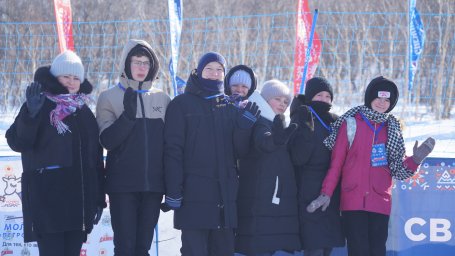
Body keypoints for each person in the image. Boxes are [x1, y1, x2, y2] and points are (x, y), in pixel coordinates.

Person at [308, 76, 435, 256]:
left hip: (380, 201)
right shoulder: (350, 124)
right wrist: (326, 193)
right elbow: (336, 164)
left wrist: (415, 159)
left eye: (387, 100)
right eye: (378, 98)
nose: (382, 103)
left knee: (377, 251)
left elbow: (398, 169)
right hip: (353, 200)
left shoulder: (392, 128)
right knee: (358, 250)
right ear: (370, 98)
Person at [6, 50, 105, 256]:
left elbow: (94, 158)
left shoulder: (83, 110)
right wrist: (30, 115)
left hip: (79, 204)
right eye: (66, 76)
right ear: (55, 77)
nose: (71, 81)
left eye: (76, 77)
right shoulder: (39, 103)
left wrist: (97, 199)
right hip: (48, 203)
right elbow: (18, 142)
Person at [163, 52, 261, 256]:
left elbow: (239, 153)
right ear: (199, 72)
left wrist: (244, 128)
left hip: (224, 199)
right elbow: (173, 151)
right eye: (209, 69)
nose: (214, 74)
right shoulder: (181, 104)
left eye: (219, 70)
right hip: (193, 197)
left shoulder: (230, 106)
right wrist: (173, 190)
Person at [96, 39, 170, 255]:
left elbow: (170, 146)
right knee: (125, 247)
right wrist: (127, 117)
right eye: (136, 61)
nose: (141, 67)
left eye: (146, 63)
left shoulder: (162, 98)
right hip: (123, 187)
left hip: (153, 187)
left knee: (143, 248)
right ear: (126, 64)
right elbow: (107, 140)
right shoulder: (108, 97)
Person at [236, 79, 301, 256]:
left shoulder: (274, 121)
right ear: (265, 99)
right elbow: (263, 141)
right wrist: (275, 140)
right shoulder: (260, 120)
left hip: (269, 196)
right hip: (262, 197)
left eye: (286, 101)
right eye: (277, 99)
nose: (282, 104)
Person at [289, 77, 345, 256]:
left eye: (328, 96)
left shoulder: (334, 121)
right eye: (319, 95)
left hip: (332, 192)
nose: (324, 100)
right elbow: (298, 158)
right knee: (315, 247)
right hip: (309, 191)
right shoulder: (302, 115)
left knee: (327, 247)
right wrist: (305, 131)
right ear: (310, 96)